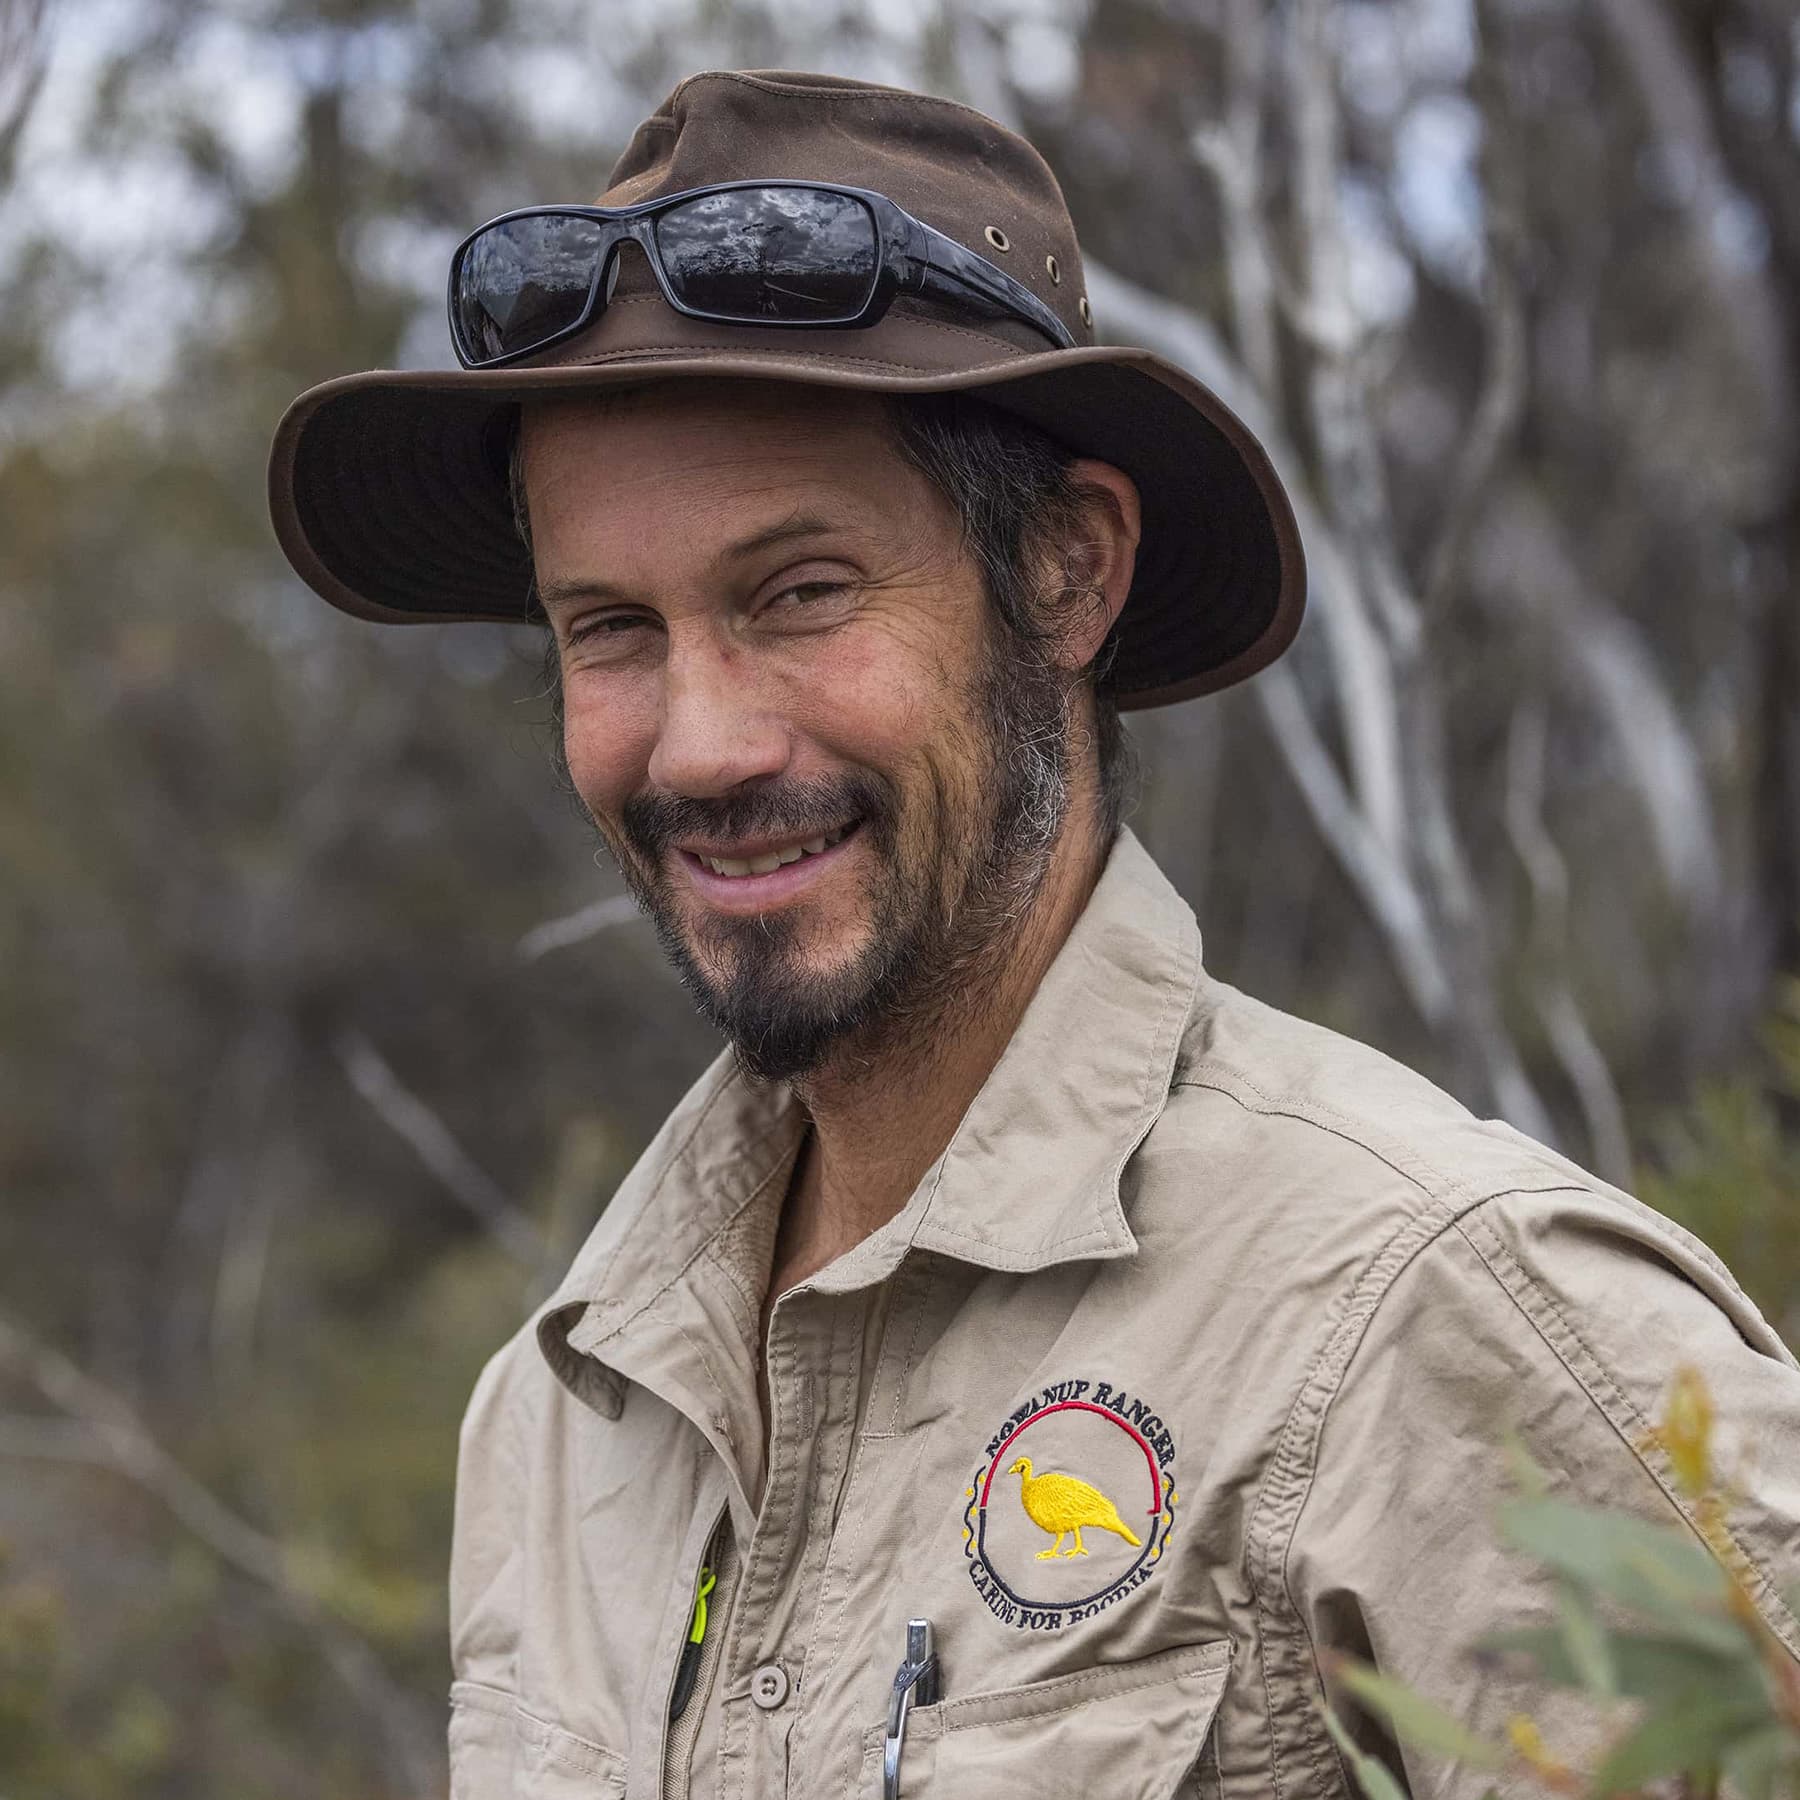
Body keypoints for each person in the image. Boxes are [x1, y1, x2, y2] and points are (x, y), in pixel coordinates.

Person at [268, 68, 1800, 1800]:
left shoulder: (1436, 1312)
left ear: (1069, 571)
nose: (697, 743)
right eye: (609, 628)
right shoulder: (568, 1413)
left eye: (799, 594)